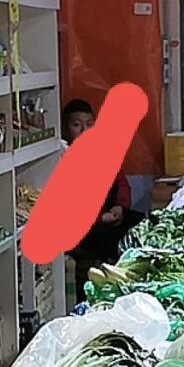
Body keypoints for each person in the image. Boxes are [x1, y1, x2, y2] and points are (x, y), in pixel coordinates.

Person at [61, 99, 139, 277]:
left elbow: (122, 183)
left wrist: (120, 207)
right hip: (85, 227)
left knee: (140, 225)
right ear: (65, 129)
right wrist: (101, 218)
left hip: (111, 215)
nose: (84, 130)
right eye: (76, 125)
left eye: (89, 124)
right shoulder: (61, 158)